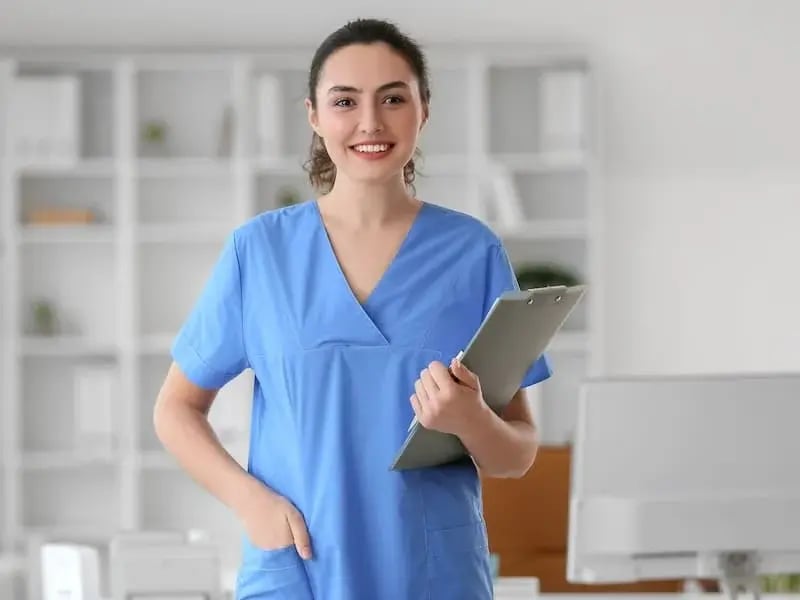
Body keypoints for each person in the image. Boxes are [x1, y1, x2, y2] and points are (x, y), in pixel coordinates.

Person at [153, 17, 551, 600]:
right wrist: (250, 503)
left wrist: (470, 420)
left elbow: (517, 451)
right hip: (298, 568)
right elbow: (175, 410)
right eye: (345, 101)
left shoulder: (472, 252)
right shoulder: (259, 252)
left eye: (393, 98)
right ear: (314, 115)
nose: (371, 122)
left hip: (431, 573)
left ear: (423, 109)